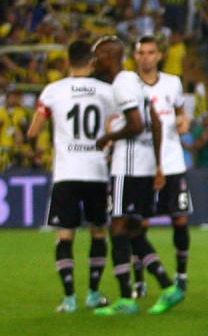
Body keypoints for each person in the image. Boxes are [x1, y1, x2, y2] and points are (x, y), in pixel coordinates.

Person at [91, 36, 185, 316]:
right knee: (133, 231)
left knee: (118, 229)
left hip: (128, 166)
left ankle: (126, 299)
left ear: (110, 57)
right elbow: (155, 121)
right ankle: (168, 286)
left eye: (98, 56)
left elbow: (137, 124)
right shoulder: (135, 81)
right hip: (144, 166)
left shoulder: (122, 83)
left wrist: (108, 137)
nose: (94, 62)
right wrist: (157, 164)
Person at [26, 40, 116, 312]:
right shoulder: (107, 91)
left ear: (67, 62)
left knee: (65, 235)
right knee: (98, 233)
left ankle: (69, 299)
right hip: (96, 172)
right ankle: (93, 293)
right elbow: (117, 124)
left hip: (66, 173)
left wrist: (38, 148)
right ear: (92, 62)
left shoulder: (53, 91)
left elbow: (33, 131)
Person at [135, 35, 193, 297]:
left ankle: (181, 275)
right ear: (136, 57)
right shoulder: (129, 86)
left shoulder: (172, 83)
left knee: (179, 219)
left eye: (151, 52)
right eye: (142, 53)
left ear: (159, 56)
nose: (146, 57)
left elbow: (181, 113)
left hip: (172, 162)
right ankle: (139, 281)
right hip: (143, 164)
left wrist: (184, 121)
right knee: (139, 223)